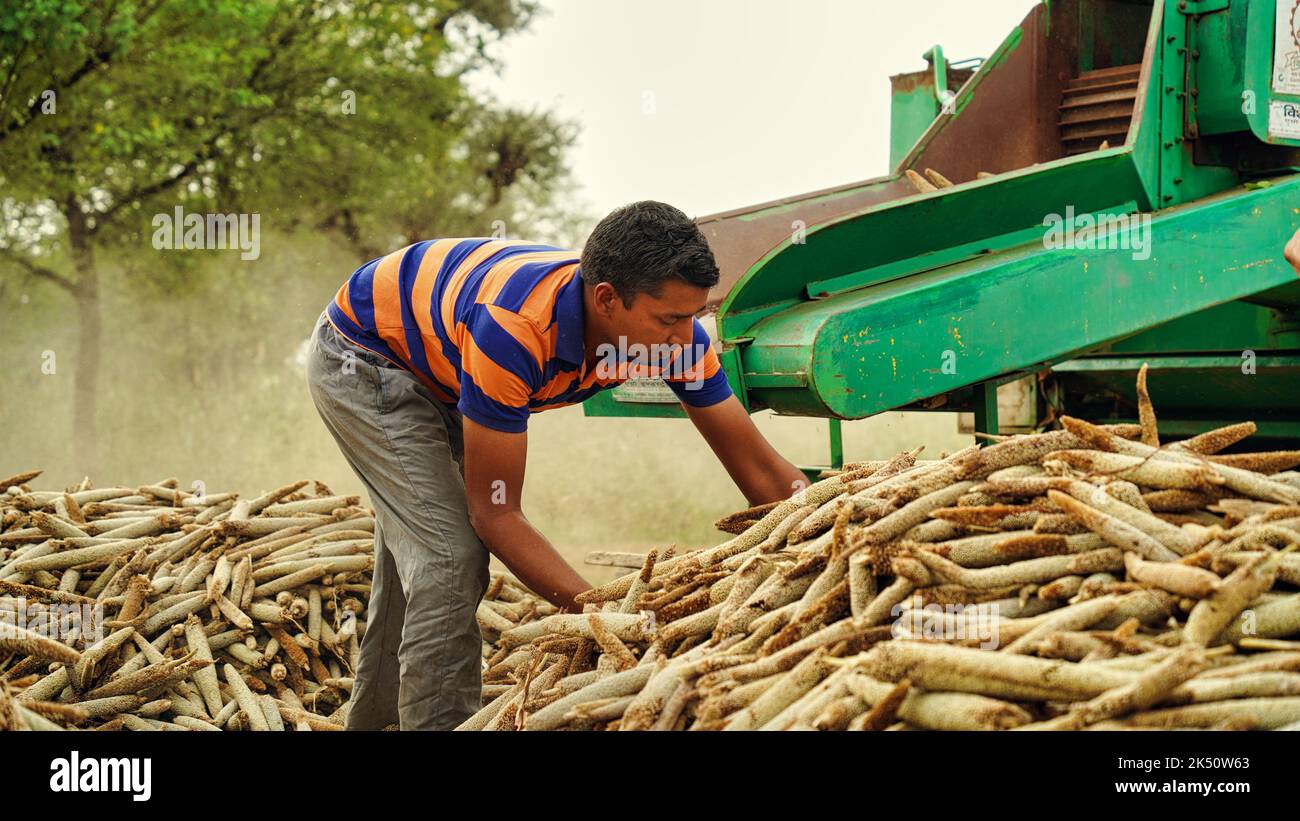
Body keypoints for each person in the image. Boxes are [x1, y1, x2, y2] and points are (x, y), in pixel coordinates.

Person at [305, 200, 809, 730]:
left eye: (694, 316)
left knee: (420, 555)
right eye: (669, 320)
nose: (686, 339)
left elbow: (762, 472)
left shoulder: (674, 340)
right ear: (608, 299)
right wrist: (599, 615)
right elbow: (495, 513)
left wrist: (823, 517)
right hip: (366, 358)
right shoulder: (513, 329)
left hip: (447, 366)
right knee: (450, 555)